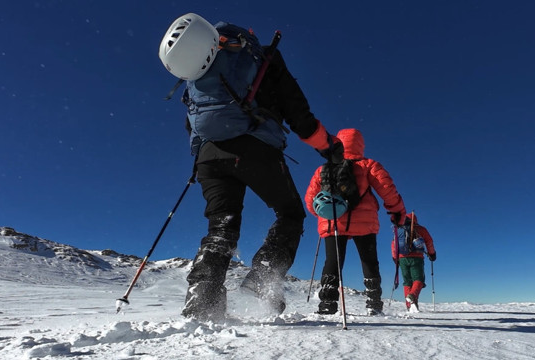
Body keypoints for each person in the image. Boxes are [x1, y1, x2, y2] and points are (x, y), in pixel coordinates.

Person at [158, 13, 343, 321]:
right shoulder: (262, 58)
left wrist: (202, 155)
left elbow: (193, 123)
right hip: (255, 147)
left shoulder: (198, 70)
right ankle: (264, 277)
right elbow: (298, 113)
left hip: (208, 156)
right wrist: (328, 146)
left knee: (221, 226)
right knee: (290, 213)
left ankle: (204, 300)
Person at [304, 128, 407, 316]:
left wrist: (324, 215)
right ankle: (374, 303)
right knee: (369, 261)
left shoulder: (323, 169)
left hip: (333, 221)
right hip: (365, 222)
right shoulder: (369, 165)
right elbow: (387, 190)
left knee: (333, 261)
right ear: (360, 145)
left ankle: (327, 303)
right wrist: (397, 211)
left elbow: (311, 201)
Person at [392, 213, 436, 311]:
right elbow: (429, 241)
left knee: (407, 281)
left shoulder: (399, 230)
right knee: (418, 279)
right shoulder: (421, 229)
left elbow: (394, 244)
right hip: (416, 258)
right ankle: (412, 295)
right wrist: (432, 254)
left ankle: (410, 305)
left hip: (402, 259)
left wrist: (395, 258)